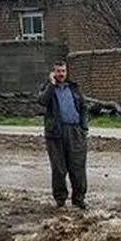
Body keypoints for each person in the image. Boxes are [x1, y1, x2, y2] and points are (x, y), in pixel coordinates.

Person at [37, 61, 90, 209]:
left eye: (63, 71)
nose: (61, 74)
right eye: (58, 71)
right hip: (55, 134)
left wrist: (83, 127)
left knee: (78, 167)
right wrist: (51, 84)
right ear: (53, 72)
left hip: (75, 132)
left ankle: (79, 199)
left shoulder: (73, 88)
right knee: (59, 168)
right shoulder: (48, 88)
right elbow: (42, 101)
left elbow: (84, 106)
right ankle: (60, 199)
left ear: (66, 72)